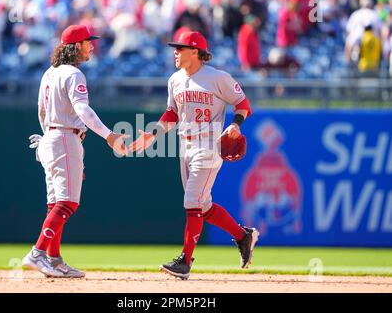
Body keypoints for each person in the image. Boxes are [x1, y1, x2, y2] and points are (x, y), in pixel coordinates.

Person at [130, 31, 260, 280]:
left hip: (209, 146)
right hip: (185, 147)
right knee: (203, 206)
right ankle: (244, 236)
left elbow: (243, 105)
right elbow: (171, 114)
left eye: (180, 48)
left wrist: (236, 124)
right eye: (175, 48)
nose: (175, 53)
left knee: (192, 201)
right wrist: (151, 135)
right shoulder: (174, 80)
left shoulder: (217, 77)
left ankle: (185, 261)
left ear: (195, 51)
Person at [22, 24, 128, 278]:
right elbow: (82, 110)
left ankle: (54, 259)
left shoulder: (49, 73)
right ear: (76, 46)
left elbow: (41, 111)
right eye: (87, 42)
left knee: (55, 205)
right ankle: (37, 253)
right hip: (65, 137)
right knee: (68, 203)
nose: (92, 45)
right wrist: (109, 135)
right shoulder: (73, 74)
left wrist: (50, 134)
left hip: (52, 136)